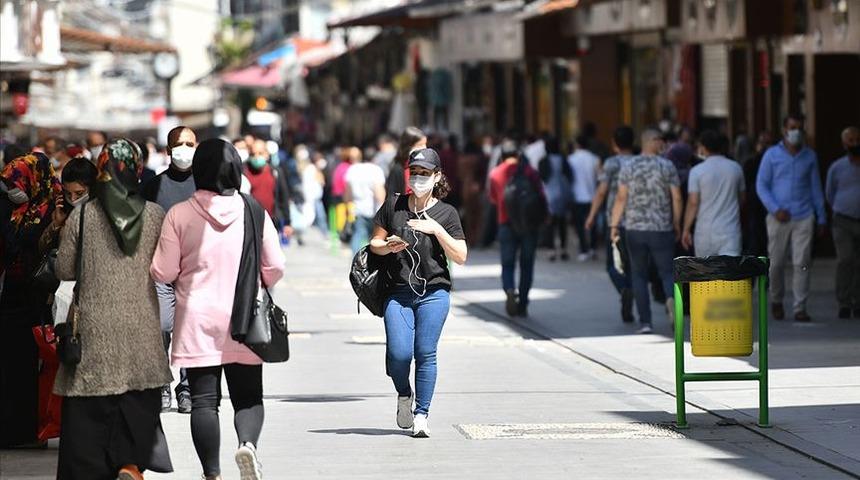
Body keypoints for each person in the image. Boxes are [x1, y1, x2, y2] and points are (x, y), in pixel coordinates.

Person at [151, 139, 285, 480]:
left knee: (204, 401)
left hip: (196, 319)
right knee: (248, 396)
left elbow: (163, 271)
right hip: (244, 318)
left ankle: (212, 474)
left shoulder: (179, 214)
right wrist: (258, 281)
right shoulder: (253, 210)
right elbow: (275, 266)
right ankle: (247, 446)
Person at [54, 139, 173, 479]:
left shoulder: (82, 216)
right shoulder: (155, 215)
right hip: (141, 329)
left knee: (89, 417)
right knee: (136, 404)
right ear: (137, 169)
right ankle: (130, 464)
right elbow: (165, 269)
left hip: (94, 330)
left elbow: (64, 269)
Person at [369, 147, 467, 438]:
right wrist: (388, 246)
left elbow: (461, 255)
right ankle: (404, 393)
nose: (419, 178)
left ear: (437, 176)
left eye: (425, 173)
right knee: (399, 354)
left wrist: (436, 229)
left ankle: (422, 414)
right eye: (415, 172)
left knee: (425, 352)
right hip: (398, 292)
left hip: (434, 292)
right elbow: (374, 243)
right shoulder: (394, 205)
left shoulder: (447, 213)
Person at [0, 153, 61, 448]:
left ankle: (32, 430)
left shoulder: (53, 208)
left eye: (17, 183)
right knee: (11, 366)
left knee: (33, 368)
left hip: (38, 297)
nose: (12, 189)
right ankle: (12, 430)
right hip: (10, 294)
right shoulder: (10, 208)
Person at [141, 125, 198, 413]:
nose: (184, 150)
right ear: (168, 150)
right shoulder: (153, 186)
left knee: (188, 330)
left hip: (194, 272)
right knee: (163, 326)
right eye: (179, 144)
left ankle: (186, 388)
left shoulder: (206, 185)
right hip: (161, 270)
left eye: (190, 144)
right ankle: (162, 382)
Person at [610, 128, 682, 334]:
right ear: (650, 141)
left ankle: (646, 323)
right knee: (667, 272)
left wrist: (614, 225)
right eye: (660, 140)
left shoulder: (629, 166)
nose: (663, 144)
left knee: (638, 275)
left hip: (635, 229)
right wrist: (677, 223)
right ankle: (671, 300)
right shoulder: (667, 165)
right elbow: (677, 197)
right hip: (661, 228)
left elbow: (621, 198)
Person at [756, 115, 827, 322]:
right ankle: (776, 300)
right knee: (776, 263)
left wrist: (821, 217)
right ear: (784, 130)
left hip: (804, 216)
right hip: (778, 218)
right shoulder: (771, 155)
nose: (796, 131)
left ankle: (800, 307)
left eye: (799, 128)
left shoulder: (809, 156)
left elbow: (816, 188)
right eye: (792, 127)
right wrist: (775, 209)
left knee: (802, 263)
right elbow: (761, 185)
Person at [489, 141, 546, 317]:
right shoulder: (530, 171)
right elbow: (541, 195)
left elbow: (493, 199)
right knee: (527, 264)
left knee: (507, 263)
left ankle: (509, 289)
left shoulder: (495, 174)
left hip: (505, 223)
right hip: (529, 224)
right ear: (518, 155)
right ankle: (523, 303)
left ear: (502, 156)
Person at [585, 126, 636, 323]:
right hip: (636, 221)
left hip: (615, 221)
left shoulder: (611, 163)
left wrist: (591, 216)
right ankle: (630, 294)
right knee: (632, 265)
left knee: (611, 265)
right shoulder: (639, 161)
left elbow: (601, 192)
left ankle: (623, 288)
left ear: (615, 143)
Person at [682, 130, 745, 256]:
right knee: (730, 268)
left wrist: (686, 229)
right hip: (730, 231)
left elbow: (693, 203)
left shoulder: (697, 171)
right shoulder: (736, 168)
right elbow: (742, 199)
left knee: (706, 268)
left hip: (704, 232)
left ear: (703, 147)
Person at [825, 126, 860, 319]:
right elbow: (829, 193)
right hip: (843, 221)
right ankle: (844, 302)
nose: (855, 144)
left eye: (857, 140)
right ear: (844, 144)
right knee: (846, 259)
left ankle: (858, 301)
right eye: (851, 140)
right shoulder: (837, 167)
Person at [38, 157, 97, 253]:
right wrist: (56, 224)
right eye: (68, 193)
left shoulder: (104, 212)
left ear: (92, 189)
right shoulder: (60, 209)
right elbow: (42, 248)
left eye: (79, 193)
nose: (73, 199)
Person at [345, 147, 386, 254]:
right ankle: (369, 259)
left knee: (358, 234)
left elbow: (348, 192)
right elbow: (379, 192)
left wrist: (348, 205)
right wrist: (383, 208)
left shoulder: (353, 169)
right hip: (373, 210)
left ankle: (355, 258)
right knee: (374, 238)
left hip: (357, 208)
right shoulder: (376, 170)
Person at [538, 136, 572, 261]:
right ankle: (563, 249)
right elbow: (569, 175)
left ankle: (551, 250)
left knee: (549, 223)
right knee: (562, 223)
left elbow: (541, 177)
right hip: (562, 193)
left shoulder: (543, 161)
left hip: (549, 195)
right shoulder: (563, 159)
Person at [568, 134, 600, 261]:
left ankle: (583, 249)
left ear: (577, 144)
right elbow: (600, 177)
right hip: (593, 195)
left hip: (577, 196)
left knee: (580, 225)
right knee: (593, 224)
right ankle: (592, 248)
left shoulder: (571, 159)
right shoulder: (594, 158)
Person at [742, 131, 773, 256]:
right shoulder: (751, 163)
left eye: (768, 143)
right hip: (754, 206)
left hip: (773, 206)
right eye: (762, 143)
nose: (764, 146)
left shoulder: (775, 163)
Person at [387, 127, 427, 197]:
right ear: (408, 146)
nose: (424, 148)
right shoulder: (398, 169)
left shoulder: (427, 165)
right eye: (420, 145)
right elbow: (392, 196)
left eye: (425, 144)